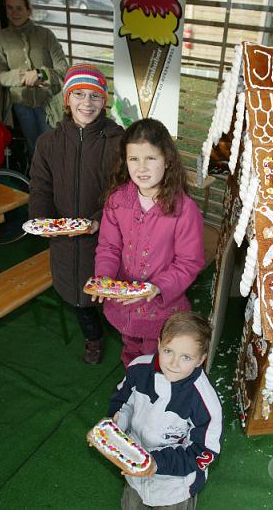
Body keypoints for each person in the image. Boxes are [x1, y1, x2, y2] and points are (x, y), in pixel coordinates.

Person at [28, 64, 124, 364]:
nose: (87, 102)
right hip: (65, 243)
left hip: (109, 240)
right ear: (66, 100)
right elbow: (40, 188)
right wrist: (43, 220)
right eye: (78, 94)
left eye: (94, 95)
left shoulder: (119, 141)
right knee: (79, 298)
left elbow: (123, 190)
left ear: (104, 100)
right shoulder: (48, 143)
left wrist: (98, 218)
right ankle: (93, 338)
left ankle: (129, 339)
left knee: (114, 296)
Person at [92, 118, 206, 366]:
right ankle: (134, 387)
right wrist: (104, 278)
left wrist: (155, 287)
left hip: (161, 309)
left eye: (150, 159)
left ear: (167, 159)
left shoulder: (185, 210)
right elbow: (109, 247)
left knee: (158, 361)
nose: (141, 168)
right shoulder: (116, 200)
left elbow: (189, 263)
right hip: (124, 303)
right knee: (131, 353)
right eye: (134, 159)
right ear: (125, 161)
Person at [108, 311, 223, 509]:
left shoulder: (205, 403)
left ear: (200, 359)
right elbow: (122, 400)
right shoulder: (138, 369)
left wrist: (157, 463)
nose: (173, 363)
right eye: (168, 351)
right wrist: (119, 421)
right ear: (159, 344)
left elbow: (203, 451)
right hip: (135, 470)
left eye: (186, 357)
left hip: (174, 486)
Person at [0, 0, 68, 158]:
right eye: (9, 8)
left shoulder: (45, 35)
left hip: (49, 104)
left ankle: (58, 182)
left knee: (52, 149)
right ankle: (38, 182)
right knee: (34, 148)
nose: (14, 13)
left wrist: (41, 74)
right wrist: (22, 77)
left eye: (19, 8)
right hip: (22, 105)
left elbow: (64, 69)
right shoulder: (1, 39)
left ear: (29, 10)